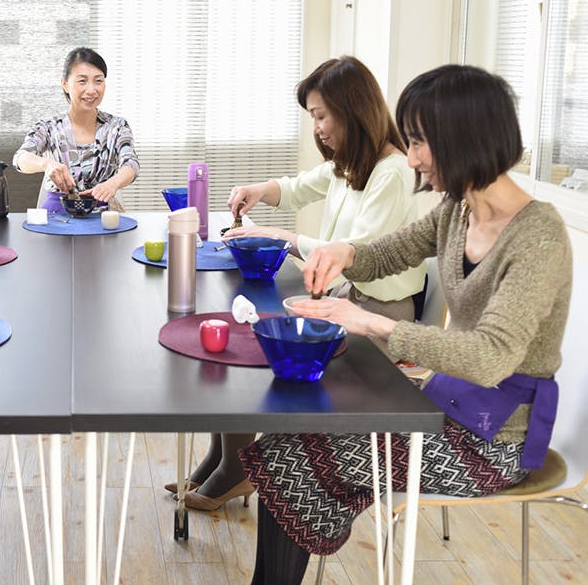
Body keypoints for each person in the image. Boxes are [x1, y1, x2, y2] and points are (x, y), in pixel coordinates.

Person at [242, 64, 572, 584]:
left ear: (464, 136)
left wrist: (371, 324)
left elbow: (489, 358)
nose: (412, 157)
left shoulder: (538, 237)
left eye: (420, 142)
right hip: (444, 405)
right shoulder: (458, 211)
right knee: (291, 440)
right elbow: (390, 251)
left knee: (290, 457)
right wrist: (346, 252)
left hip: (494, 442)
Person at [172, 56, 427, 511]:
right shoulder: (352, 162)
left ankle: (237, 467)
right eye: (312, 117)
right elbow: (296, 188)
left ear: (352, 110)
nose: (317, 128)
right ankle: (225, 458)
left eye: (321, 116)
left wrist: (283, 237)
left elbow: (356, 255)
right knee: (245, 336)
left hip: (377, 315)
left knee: (256, 351)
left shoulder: (391, 172)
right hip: (343, 300)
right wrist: (258, 190)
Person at [13, 47, 140, 212]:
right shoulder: (48, 126)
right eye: (82, 81)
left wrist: (112, 184)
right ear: (65, 84)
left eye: (98, 81)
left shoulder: (117, 126)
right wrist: (46, 164)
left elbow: (131, 164)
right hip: (56, 215)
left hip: (104, 215)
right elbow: (20, 158)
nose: (91, 90)